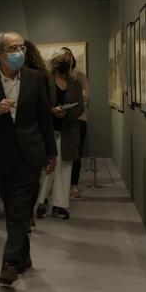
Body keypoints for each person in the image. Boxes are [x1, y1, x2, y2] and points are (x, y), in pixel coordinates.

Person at [0, 31, 57, 289]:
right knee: (13, 209)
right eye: (13, 48)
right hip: (0, 155)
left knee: (20, 207)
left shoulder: (35, 79)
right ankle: (24, 256)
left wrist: (51, 153)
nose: (19, 52)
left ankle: (9, 263)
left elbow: (44, 118)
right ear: (0, 55)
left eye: (21, 47)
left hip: (31, 153)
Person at [36, 52, 85, 220]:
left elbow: (80, 107)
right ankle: (41, 202)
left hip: (68, 131)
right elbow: (38, 105)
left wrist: (67, 113)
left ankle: (60, 205)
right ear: (55, 63)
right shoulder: (44, 82)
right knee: (47, 169)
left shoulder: (75, 84)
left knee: (65, 170)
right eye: (62, 61)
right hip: (48, 131)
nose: (65, 64)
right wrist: (52, 111)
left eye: (68, 61)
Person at [63, 46, 91, 199]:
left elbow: (84, 96)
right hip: (61, 120)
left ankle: (73, 184)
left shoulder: (79, 76)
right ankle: (62, 185)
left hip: (78, 119)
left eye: (69, 58)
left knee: (76, 154)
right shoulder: (55, 78)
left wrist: (69, 107)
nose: (66, 61)